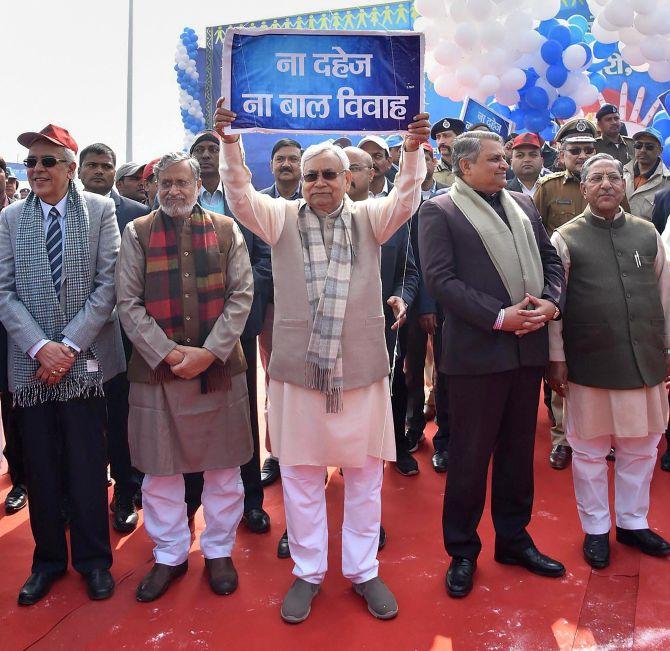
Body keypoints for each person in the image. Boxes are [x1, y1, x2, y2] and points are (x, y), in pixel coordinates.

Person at [215, 97, 429, 623]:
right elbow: (239, 197)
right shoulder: (280, 217)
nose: (319, 183)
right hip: (299, 371)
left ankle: (362, 570)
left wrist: (413, 151)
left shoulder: (370, 220)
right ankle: (308, 572)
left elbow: (406, 197)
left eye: (330, 174)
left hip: (358, 369)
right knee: (302, 476)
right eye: (310, 175)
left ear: (349, 177)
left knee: (364, 479)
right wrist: (230, 143)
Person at [419, 130, 566, 599]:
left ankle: (514, 540)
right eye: (495, 159)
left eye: (505, 159)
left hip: (527, 351)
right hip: (478, 356)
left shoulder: (523, 205)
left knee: (518, 455)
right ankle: (462, 551)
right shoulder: (439, 210)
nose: (505, 165)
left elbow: (551, 262)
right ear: (464, 167)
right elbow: (441, 280)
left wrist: (551, 304)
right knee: (469, 458)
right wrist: (498, 317)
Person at [115, 151, 254, 601]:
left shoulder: (227, 229)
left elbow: (242, 294)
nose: (173, 191)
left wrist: (208, 353)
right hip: (158, 370)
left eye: (182, 183)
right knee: (160, 472)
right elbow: (128, 304)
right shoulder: (136, 234)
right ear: (154, 187)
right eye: (165, 183)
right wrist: (171, 353)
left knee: (224, 468)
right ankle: (170, 554)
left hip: (218, 371)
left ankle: (217, 550)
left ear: (198, 185)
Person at [0, 124, 125, 605]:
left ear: (70, 167)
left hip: (86, 363)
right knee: (43, 470)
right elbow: (5, 291)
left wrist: (68, 346)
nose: (35, 170)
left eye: (46, 161)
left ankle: (94, 562)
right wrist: (40, 347)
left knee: (89, 464)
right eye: (30, 163)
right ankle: (48, 561)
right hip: (30, 367)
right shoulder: (11, 218)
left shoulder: (100, 209)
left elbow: (108, 285)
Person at [548, 153, 670, 568]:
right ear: (583, 188)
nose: (605, 184)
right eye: (596, 178)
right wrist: (556, 356)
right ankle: (596, 528)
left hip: (644, 361)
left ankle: (633, 523)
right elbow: (554, 305)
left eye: (613, 177)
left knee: (642, 448)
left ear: (625, 184)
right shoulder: (565, 237)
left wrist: (666, 348)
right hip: (590, 361)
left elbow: (664, 296)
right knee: (588, 452)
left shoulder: (647, 233)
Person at [189, 129, 273, 535]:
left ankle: (251, 501)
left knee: (242, 414)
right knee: (187, 412)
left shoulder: (244, 202)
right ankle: (189, 501)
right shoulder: (173, 198)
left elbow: (263, 261)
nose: (207, 155)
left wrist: (235, 302)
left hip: (237, 324)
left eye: (212, 149)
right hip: (185, 330)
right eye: (200, 150)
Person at [78, 142, 150, 533]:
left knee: (122, 417)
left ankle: (125, 491)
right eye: (93, 165)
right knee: (83, 423)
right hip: (73, 339)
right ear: (79, 170)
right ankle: (81, 496)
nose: (100, 172)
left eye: (107, 166)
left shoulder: (137, 215)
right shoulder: (68, 213)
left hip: (123, 336)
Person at [344, 145, 419, 475]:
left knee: (391, 388)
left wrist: (401, 296)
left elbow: (409, 271)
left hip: (382, 328)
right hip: (332, 334)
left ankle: (396, 446)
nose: (346, 174)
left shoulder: (389, 218)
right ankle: (344, 457)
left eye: (355, 168)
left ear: (371, 173)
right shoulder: (310, 221)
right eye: (338, 167)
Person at [534, 118, 598, 470]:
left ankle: (597, 433)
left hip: (597, 287)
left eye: (589, 149)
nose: (583, 155)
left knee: (594, 361)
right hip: (559, 287)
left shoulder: (609, 183)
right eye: (575, 150)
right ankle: (561, 439)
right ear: (562, 154)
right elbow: (536, 239)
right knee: (559, 363)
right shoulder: (547, 187)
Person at [259, 138, 303, 493]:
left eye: (292, 158)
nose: (286, 164)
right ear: (271, 165)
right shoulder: (258, 203)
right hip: (273, 307)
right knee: (276, 380)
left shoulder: (320, 197)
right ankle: (276, 452)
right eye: (281, 159)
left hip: (318, 308)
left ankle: (312, 451)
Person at [404, 146, 450, 472]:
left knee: (446, 372)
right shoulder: (401, 199)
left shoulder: (449, 198)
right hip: (416, 301)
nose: (423, 163)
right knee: (412, 369)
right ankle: (413, 427)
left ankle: (445, 438)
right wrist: (424, 304)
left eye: (427, 157)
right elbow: (414, 261)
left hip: (452, 305)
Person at [624, 127, 670, 222]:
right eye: (638, 145)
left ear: (660, 151)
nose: (643, 150)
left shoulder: (667, 182)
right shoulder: (622, 173)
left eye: (649, 147)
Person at [507, 133, 546, 197]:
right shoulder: (501, 190)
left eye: (533, 155)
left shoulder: (554, 188)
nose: (527, 160)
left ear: (542, 161)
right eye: (520, 155)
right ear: (511, 162)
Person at [431, 117, 465, 187]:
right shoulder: (430, 171)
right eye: (438, 137)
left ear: (459, 138)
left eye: (446, 136)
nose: (441, 141)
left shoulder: (470, 168)